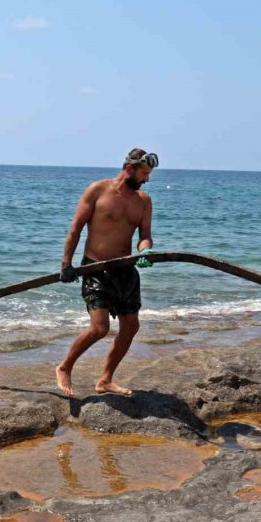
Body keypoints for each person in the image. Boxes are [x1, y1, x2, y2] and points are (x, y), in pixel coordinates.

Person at [56, 148, 158, 397]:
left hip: (125, 271)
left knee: (131, 327)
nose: (147, 179)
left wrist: (144, 252)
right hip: (96, 269)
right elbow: (76, 229)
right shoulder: (97, 190)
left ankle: (105, 380)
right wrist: (66, 264)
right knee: (99, 328)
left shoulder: (143, 201)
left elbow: (145, 236)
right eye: (144, 173)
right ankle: (64, 367)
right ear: (130, 168)